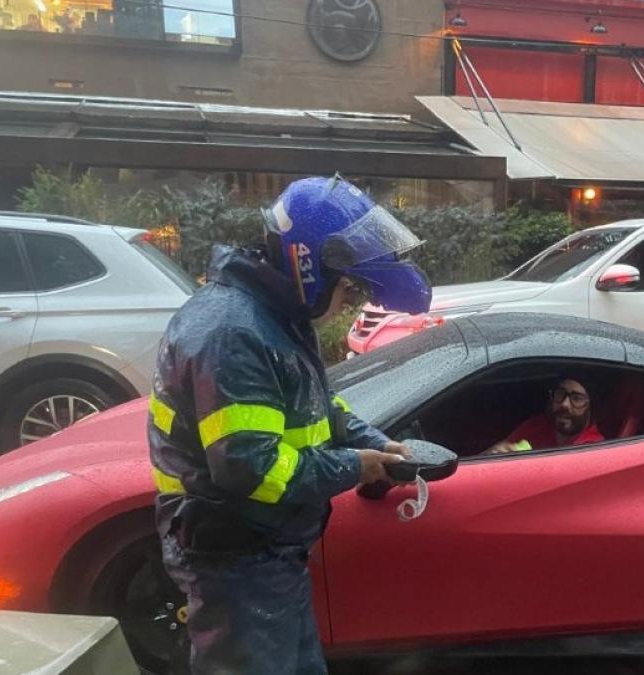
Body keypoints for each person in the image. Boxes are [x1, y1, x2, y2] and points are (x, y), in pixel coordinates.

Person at [149, 175, 432, 674]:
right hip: (235, 555)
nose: (348, 302)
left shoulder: (271, 316)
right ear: (312, 267)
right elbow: (249, 468)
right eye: (349, 287)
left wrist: (377, 443)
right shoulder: (234, 333)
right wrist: (357, 466)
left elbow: (315, 406)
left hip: (268, 551)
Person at [484, 376, 604, 455]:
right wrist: (496, 453)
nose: (564, 404)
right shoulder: (537, 425)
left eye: (576, 398)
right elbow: (486, 458)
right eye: (560, 394)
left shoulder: (593, 449)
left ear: (590, 407)